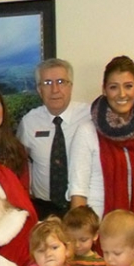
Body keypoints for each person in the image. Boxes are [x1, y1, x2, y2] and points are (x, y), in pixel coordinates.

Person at [17, 58, 104, 219]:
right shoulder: (29, 122)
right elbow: (20, 163)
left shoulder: (91, 116)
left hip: (85, 208)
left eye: (61, 82)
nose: (55, 89)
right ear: (38, 89)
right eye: (47, 83)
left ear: (71, 86)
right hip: (44, 210)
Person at [90, 56, 134, 219]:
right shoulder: (88, 130)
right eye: (114, 87)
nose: (122, 94)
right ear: (104, 89)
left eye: (128, 86)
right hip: (99, 225)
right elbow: (78, 188)